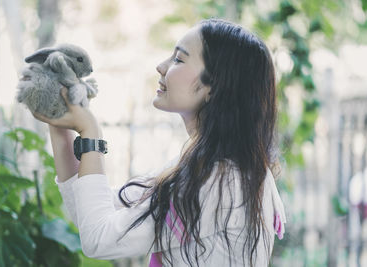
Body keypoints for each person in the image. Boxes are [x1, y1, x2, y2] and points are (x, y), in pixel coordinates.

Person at [31, 18, 286, 267]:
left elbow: (100, 239)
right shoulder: (204, 167)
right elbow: (91, 213)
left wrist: (90, 132)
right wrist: (59, 124)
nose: (161, 66)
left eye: (178, 59)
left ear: (214, 85)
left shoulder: (224, 181)